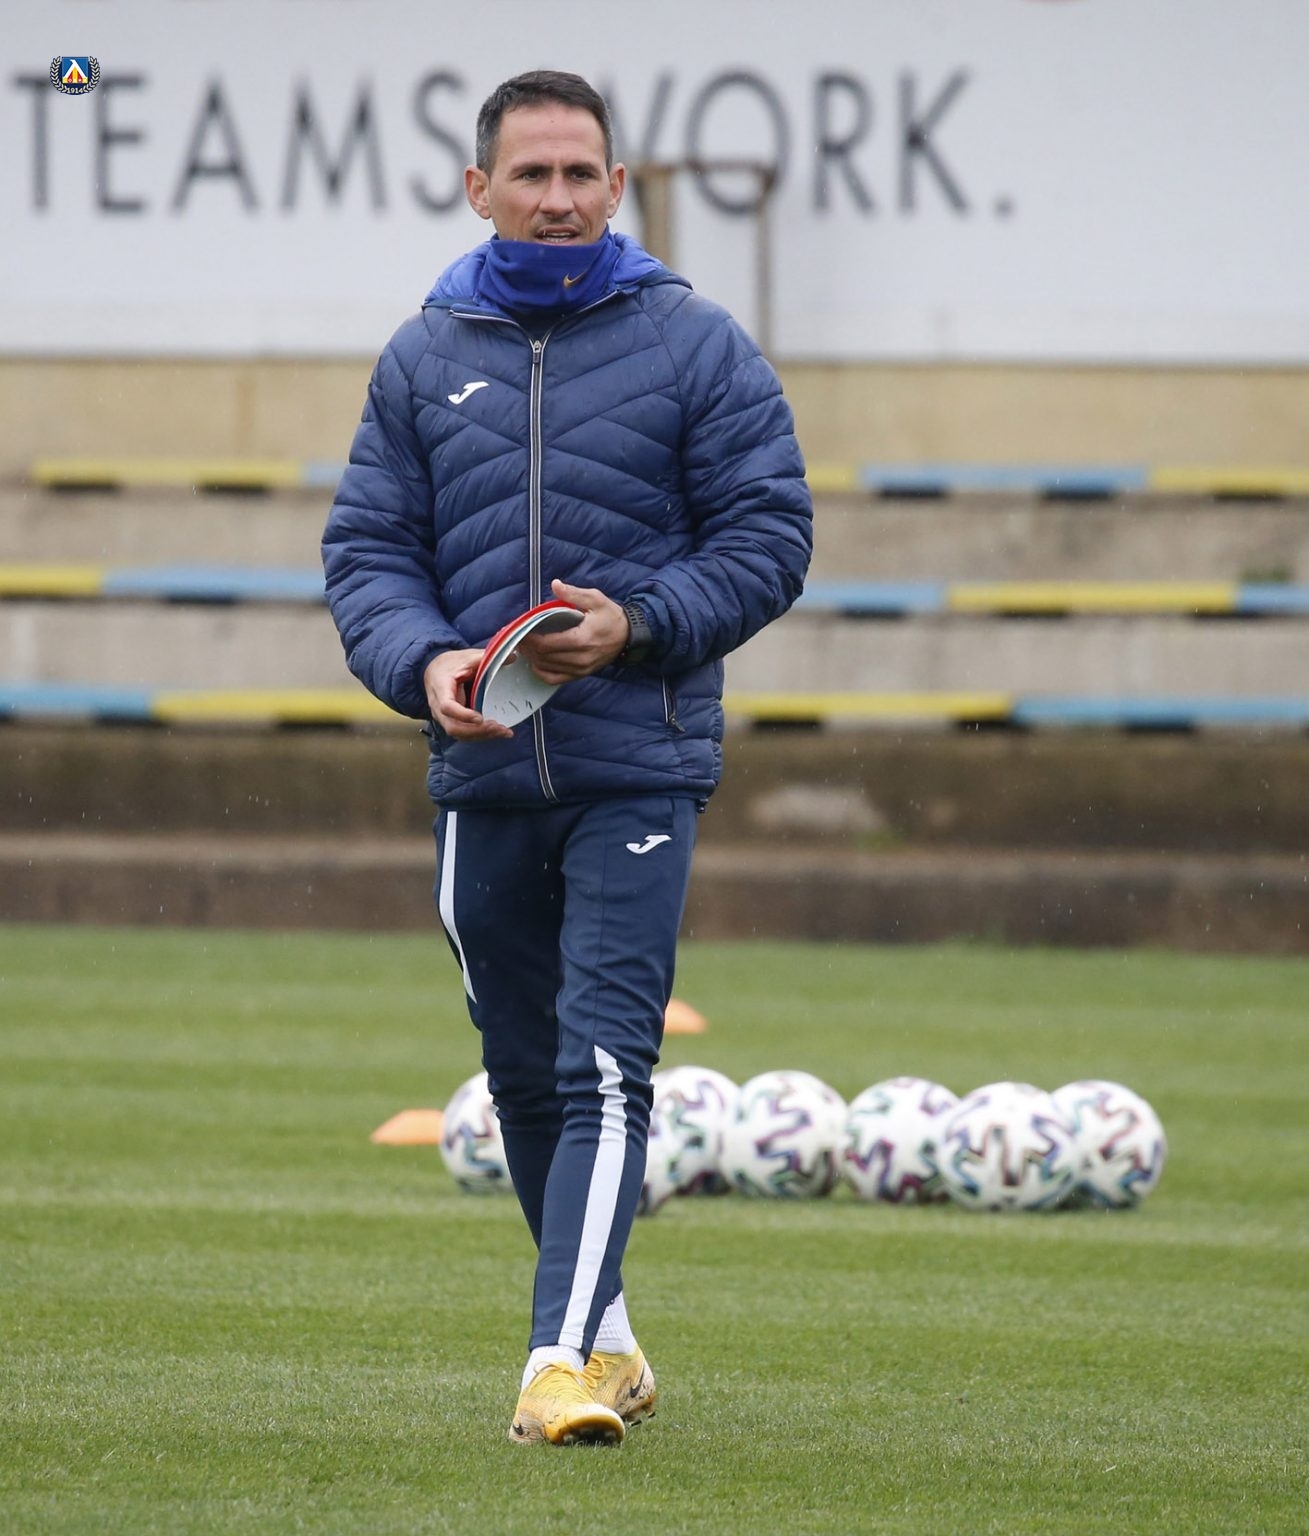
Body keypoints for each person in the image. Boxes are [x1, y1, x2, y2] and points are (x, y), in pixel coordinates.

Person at [322, 69, 812, 1446]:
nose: (557, 198)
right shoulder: (422, 355)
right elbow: (367, 553)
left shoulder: (696, 345)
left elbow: (771, 536)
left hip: (637, 763)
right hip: (481, 776)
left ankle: (555, 1364)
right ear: (478, 188)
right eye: (530, 174)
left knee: (602, 1066)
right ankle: (611, 1343)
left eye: (580, 174)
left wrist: (638, 623)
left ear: (617, 187)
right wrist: (422, 666)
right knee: (524, 1073)